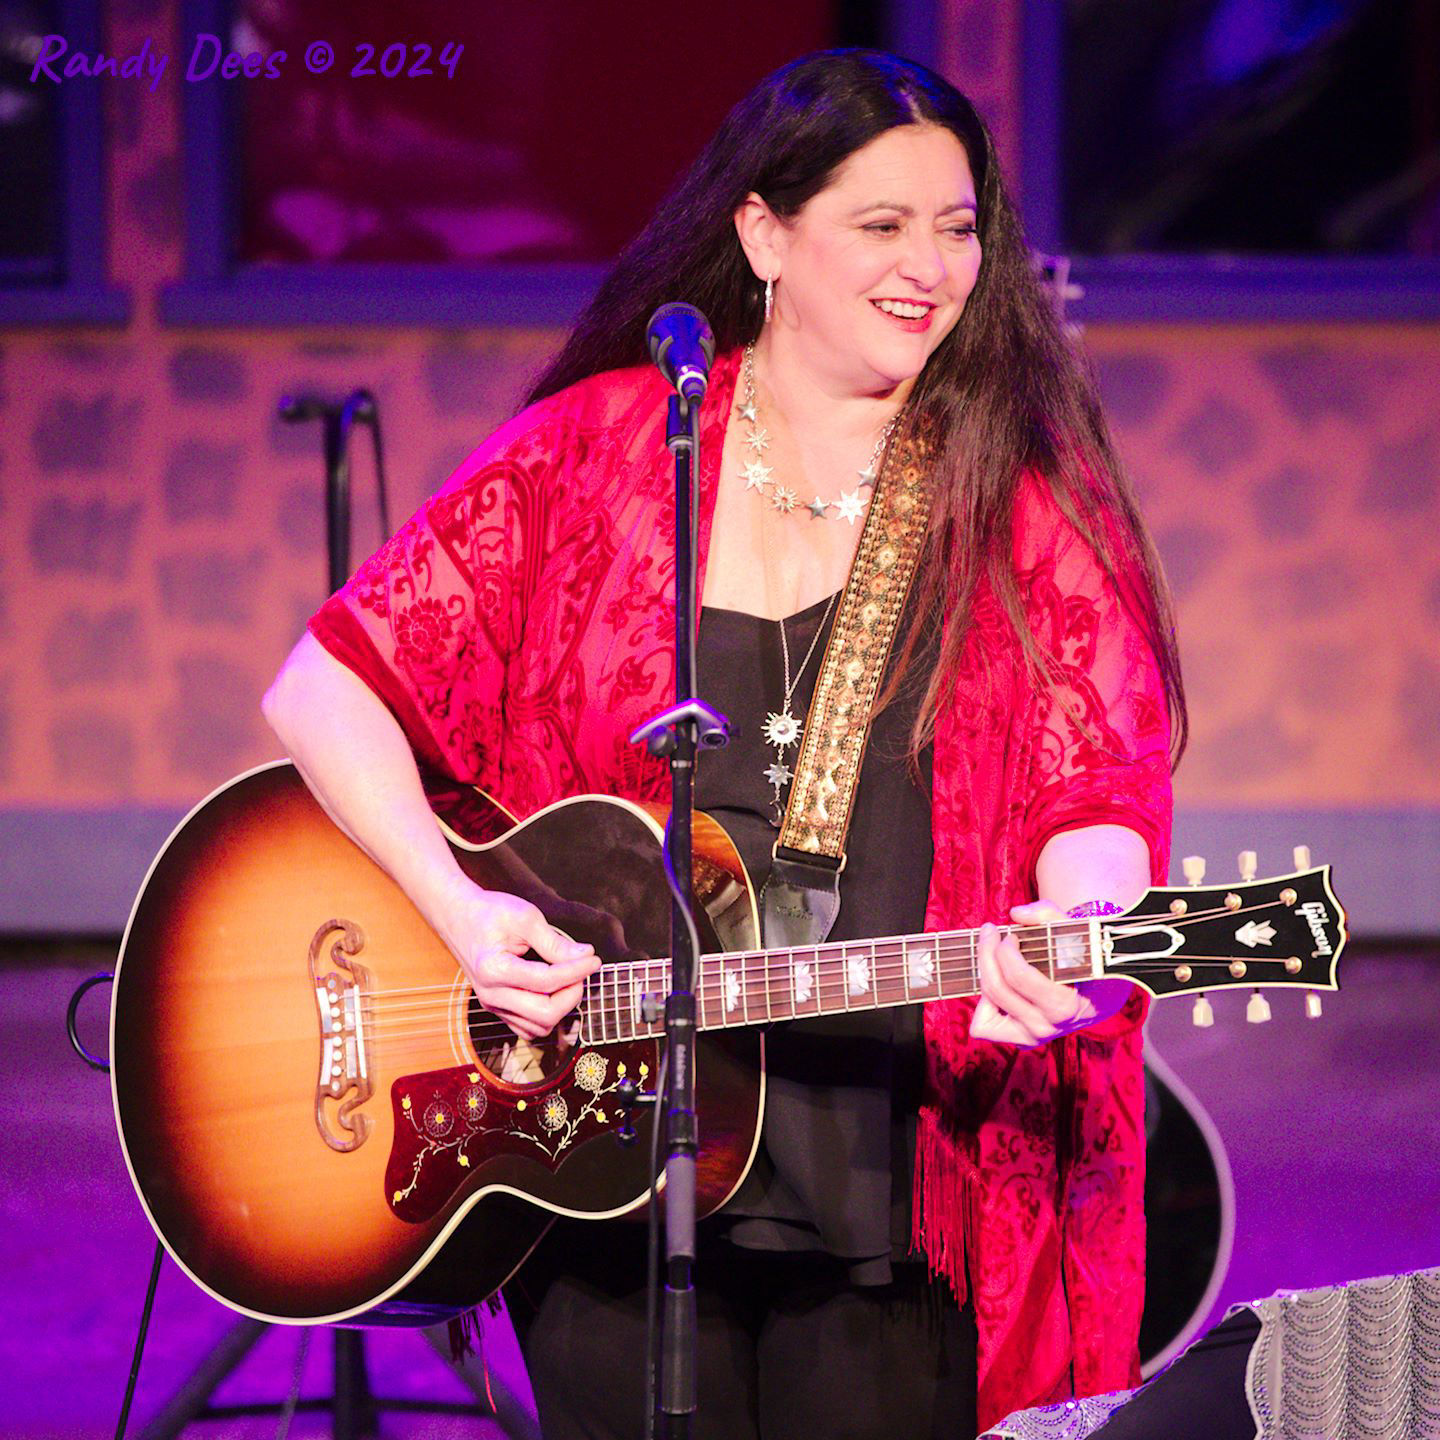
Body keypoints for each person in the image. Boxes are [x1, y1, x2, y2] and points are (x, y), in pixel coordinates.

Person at [262, 49, 1184, 1440]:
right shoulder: (603, 454)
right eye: (881, 226)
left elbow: (1094, 779)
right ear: (764, 233)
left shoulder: (1011, 494)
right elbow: (321, 690)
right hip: (605, 1150)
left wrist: (1087, 921)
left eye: (956, 229)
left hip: (884, 1158)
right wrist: (459, 913)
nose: (928, 267)